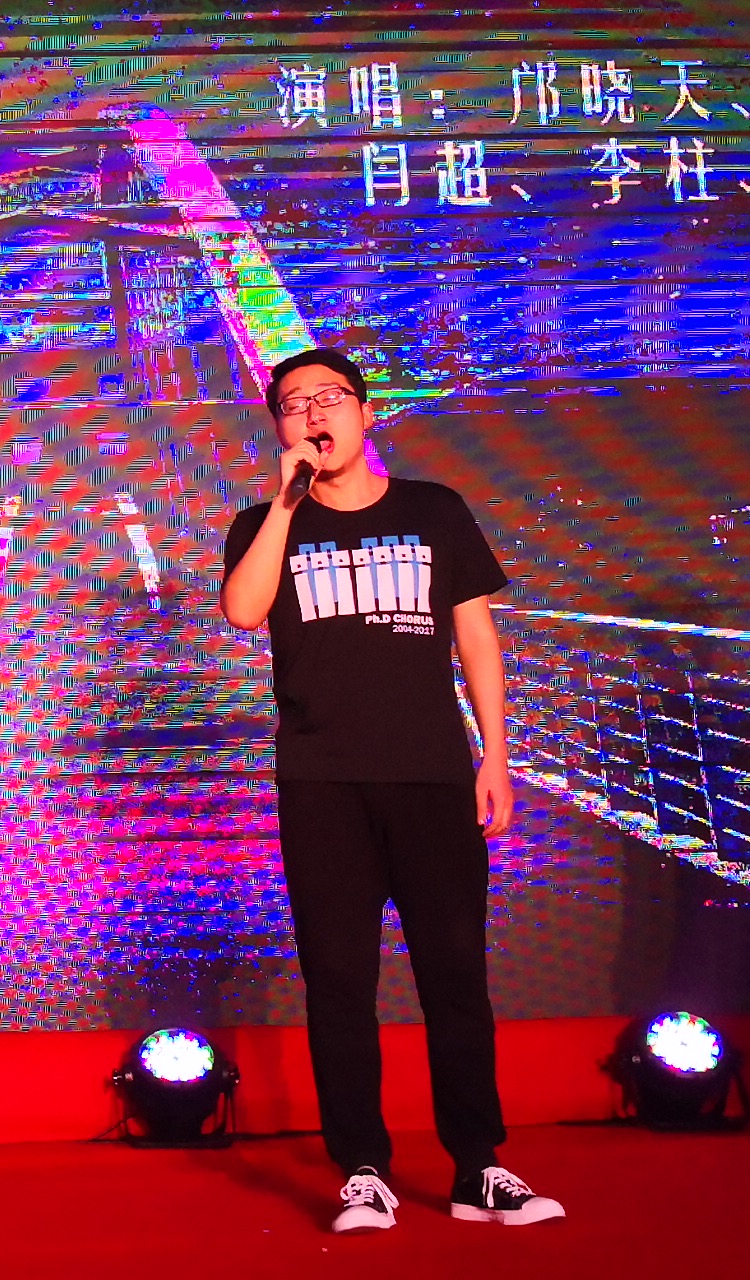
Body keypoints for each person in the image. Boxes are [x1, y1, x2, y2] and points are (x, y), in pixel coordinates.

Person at [218, 346, 562, 1235]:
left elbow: (476, 638)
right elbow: (243, 611)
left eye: (330, 398)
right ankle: (363, 1169)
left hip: (432, 774)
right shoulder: (264, 521)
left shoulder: (432, 510)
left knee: (455, 974)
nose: (313, 414)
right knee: (339, 979)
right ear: (279, 427)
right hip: (322, 782)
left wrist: (496, 756)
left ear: (366, 413)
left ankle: (478, 1165)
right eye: (294, 404)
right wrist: (286, 505)